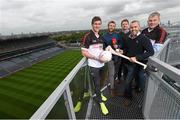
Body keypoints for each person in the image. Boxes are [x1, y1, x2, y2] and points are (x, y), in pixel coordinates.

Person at [81, 16, 109, 115]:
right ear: (92, 24)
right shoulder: (87, 36)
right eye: (95, 24)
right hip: (94, 65)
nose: (97, 26)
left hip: (102, 64)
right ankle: (100, 102)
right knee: (96, 84)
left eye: (99, 24)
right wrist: (97, 58)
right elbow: (84, 53)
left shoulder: (101, 36)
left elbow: (104, 48)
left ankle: (99, 94)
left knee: (101, 82)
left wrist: (109, 53)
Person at [123, 20, 154, 106]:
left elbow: (151, 52)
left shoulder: (144, 39)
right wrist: (122, 51)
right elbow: (126, 49)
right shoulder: (128, 38)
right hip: (126, 63)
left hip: (134, 65)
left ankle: (128, 97)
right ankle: (132, 90)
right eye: (132, 27)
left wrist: (137, 57)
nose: (133, 29)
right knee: (128, 80)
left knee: (127, 82)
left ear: (139, 27)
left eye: (135, 27)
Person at [102, 21, 123, 97]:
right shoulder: (104, 36)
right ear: (108, 26)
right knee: (111, 73)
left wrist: (118, 46)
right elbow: (103, 47)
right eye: (110, 25)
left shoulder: (117, 35)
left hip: (117, 57)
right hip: (110, 57)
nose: (111, 27)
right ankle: (112, 89)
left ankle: (113, 83)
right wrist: (106, 48)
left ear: (114, 27)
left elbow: (121, 44)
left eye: (113, 26)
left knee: (115, 73)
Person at [117, 19, 130, 84]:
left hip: (129, 53)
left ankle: (127, 80)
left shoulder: (132, 33)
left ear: (128, 25)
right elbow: (117, 43)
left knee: (128, 68)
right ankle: (119, 78)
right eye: (123, 24)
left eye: (126, 24)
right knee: (120, 67)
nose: (124, 25)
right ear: (121, 26)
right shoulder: (119, 34)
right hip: (120, 53)